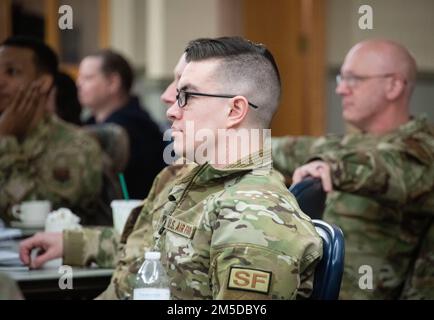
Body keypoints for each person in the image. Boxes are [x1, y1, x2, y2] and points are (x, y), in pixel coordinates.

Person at [20, 37, 322, 300]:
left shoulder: (254, 216)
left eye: (186, 96)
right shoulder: (195, 179)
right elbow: (145, 248)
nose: (171, 110)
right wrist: (72, 243)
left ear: (235, 110)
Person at [272, 39, 434, 299]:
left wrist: (332, 168)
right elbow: (282, 149)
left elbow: (389, 169)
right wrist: (219, 142)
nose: (341, 90)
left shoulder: (422, 151)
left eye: (354, 79)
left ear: (393, 85)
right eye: (341, 79)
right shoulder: (350, 143)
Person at [0, 36, 104, 226]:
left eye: (11, 72)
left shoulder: (77, 147)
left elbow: (35, 219)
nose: (0, 81)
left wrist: (4, 141)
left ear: (43, 83)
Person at [76, 50, 166, 200]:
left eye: (88, 78)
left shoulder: (136, 127)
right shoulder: (90, 122)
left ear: (113, 82)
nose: (79, 83)